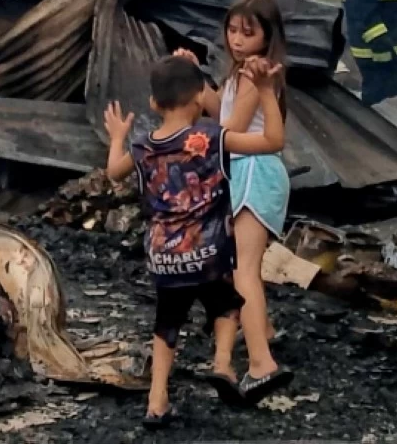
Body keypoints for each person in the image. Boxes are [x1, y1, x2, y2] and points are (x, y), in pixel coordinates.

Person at [104, 54, 285, 427]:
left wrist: (119, 137)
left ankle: (157, 399)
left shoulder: (142, 148)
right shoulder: (210, 140)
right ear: (200, 97)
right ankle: (222, 363)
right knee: (229, 303)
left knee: (166, 321)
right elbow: (272, 140)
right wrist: (266, 92)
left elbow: (112, 173)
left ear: (154, 104)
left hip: (162, 255)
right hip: (208, 251)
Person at [177, 0, 293, 399]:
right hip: (252, 171)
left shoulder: (252, 76)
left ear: (267, 36)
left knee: (243, 270)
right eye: (232, 30)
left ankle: (262, 363)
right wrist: (198, 79)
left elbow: (228, 128)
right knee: (240, 268)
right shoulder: (243, 74)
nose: (237, 39)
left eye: (248, 32)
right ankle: (262, 332)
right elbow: (219, 111)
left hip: (252, 171)